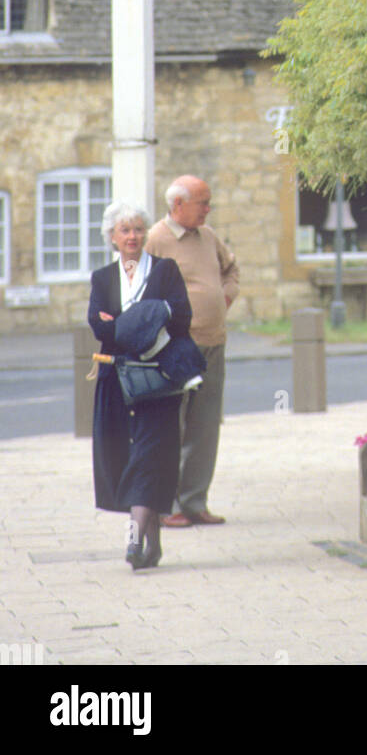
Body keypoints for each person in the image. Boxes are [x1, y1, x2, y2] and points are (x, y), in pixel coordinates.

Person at [88, 201, 193, 570]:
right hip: (116, 382)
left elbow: (180, 316)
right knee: (128, 458)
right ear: (112, 238)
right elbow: (99, 327)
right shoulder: (102, 278)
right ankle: (153, 543)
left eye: (137, 229)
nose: (132, 236)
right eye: (124, 230)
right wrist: (148, 317)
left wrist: (124, 322)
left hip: (157, 381)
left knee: (150, 457)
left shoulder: (165, 271)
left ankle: (133, 541)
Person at [146, 175, 239, 527]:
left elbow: (231, 269)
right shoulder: (157, 239)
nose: (208, 208)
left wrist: (224, 296)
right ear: (178, 205)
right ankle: (167, 505)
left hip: (214, 342)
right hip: (176, 347)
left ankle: (195, 501)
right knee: (173, 426)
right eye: (202, 202)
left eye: (208, 201)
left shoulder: (208, 235)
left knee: (205, 427)